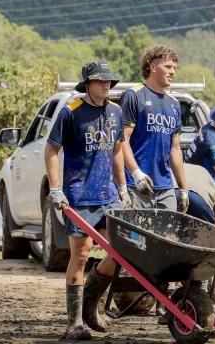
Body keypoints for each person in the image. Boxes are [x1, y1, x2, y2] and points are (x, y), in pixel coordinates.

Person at [81, 45, 191, 332]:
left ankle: (163, 305)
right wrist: (135, 173)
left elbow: (175, 149)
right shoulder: (134, 96)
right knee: (125, 249)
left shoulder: (173, 104)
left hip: (164, 187)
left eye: (174, 68)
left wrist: (182, 188)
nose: (172, 73)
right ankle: (93, 299)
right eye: (168, 67)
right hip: (137, 187)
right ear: (152, 65)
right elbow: (122, 141)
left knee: (169, 249)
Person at [44, 60, 130, 340]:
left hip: (109, 195)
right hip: (79, 195)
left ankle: (92, 299)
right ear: (88, 84)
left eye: (109, 82)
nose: (106, 86)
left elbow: (118, 151)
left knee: (122, 250)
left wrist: (123, 186)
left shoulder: (116, 112)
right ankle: (74, 323)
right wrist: (56, 189)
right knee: (80, 256)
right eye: (101, 82)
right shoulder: (71, 112)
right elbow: (51, 150)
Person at [174, 163, 215, 230]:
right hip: (198, 200)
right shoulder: (205, 172)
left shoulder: (172, 167)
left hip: (174, 194)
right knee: (209, 235)